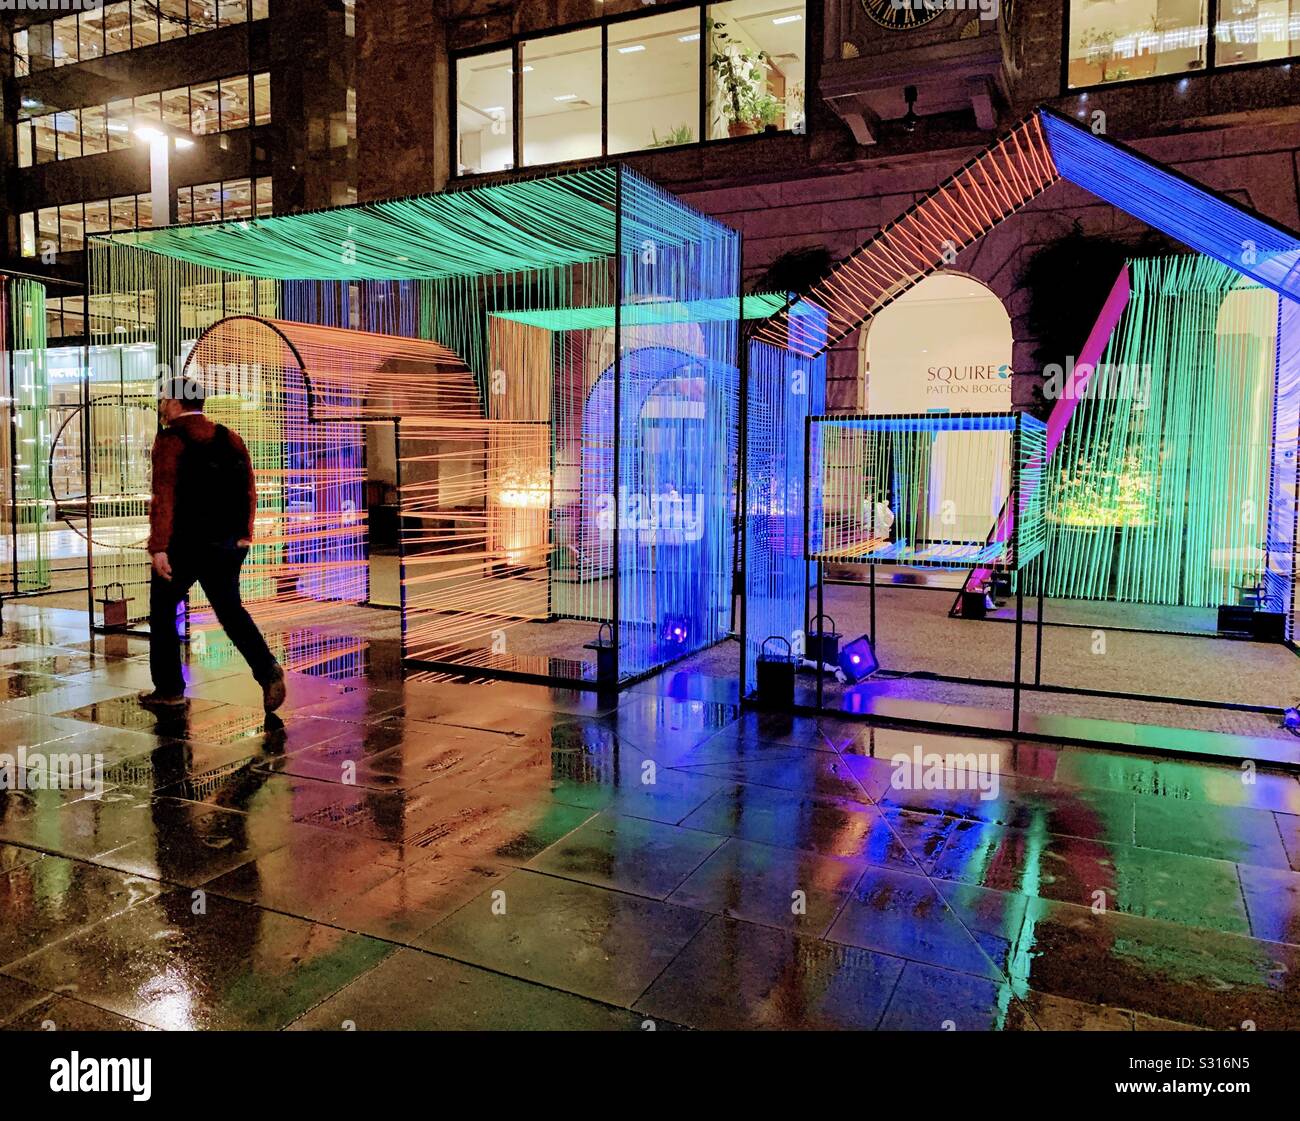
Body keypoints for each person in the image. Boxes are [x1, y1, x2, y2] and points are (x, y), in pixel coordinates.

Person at [138, 376, 286, 712]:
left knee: (162, 613)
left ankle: (170, 689)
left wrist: (158, 546)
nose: (162, 406)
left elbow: (164, 496)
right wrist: (245, 533)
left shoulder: (171, 440)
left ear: (176, 403)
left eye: (164, 400)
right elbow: (249, 488)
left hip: (183, 545)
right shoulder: (229, 438)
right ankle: (267, 670)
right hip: (226, 544)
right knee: (230, 611)